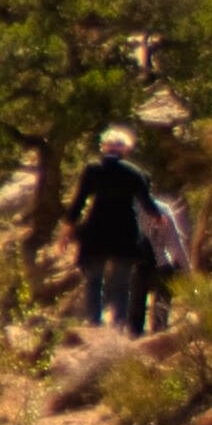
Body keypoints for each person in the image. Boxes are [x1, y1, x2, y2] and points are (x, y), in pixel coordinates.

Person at [69, 128, 164, 331]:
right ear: (125, 149)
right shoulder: (135, 173)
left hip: (96, 231)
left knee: (94, 280)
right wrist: (159, 219)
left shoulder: (93, 170)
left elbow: (78, 202)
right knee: (122, 284)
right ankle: (118, 326)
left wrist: (68, 228)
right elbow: (147, 204)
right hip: (125, 232)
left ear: (103, 147)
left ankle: (94, 323)